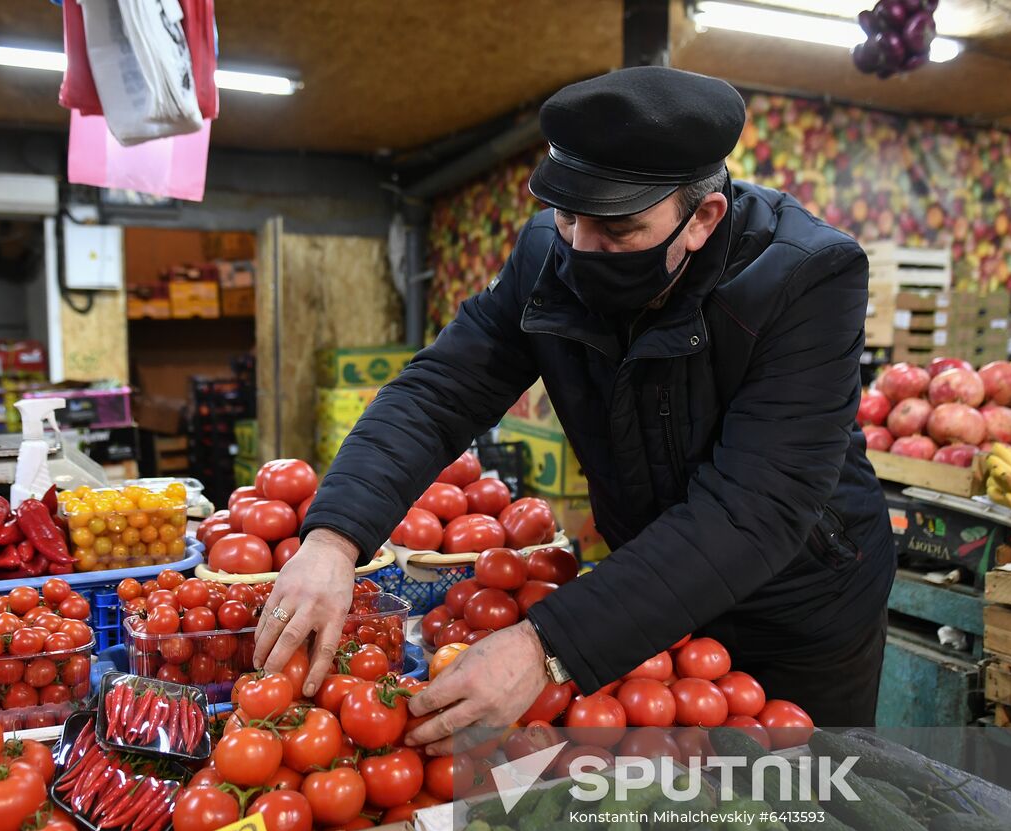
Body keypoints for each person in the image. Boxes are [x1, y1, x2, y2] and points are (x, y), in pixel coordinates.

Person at [252, 66, 895, 753]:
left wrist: (544, 645)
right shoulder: (548, 253)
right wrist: (334, 537)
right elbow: (438, 392)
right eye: (567, 215)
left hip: (797, 603)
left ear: (703, 218)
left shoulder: (808, 277)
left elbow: (754, 509)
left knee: (801, 807)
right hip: (652, 587)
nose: (581, 248)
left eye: (618, 228)